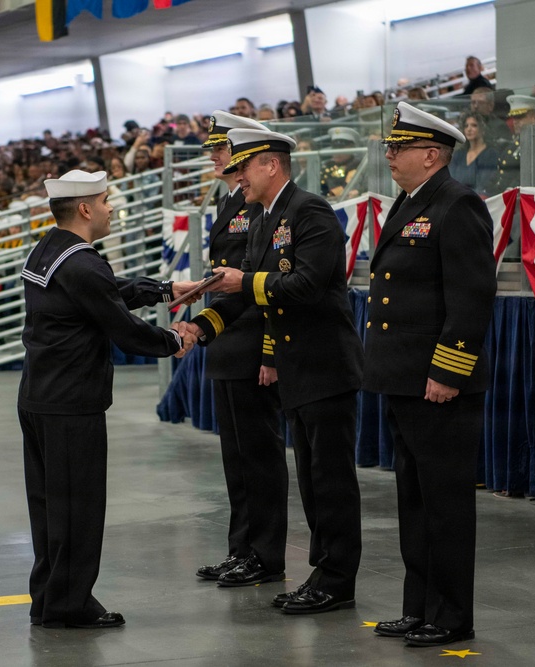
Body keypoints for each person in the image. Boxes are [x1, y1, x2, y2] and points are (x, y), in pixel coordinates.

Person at [189, 127, 364, 615]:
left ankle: (336, 578)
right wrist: (201, 326)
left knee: (330, 481)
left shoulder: (308, 210)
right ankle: (325, 573)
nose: (236, 175)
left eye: (243, 166)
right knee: (311, 480)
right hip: (297, 366)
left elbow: (307, 284)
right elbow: (249, 294)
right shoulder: (266, 219)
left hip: (324, 366)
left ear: (271, 164)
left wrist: (246, 281)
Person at [17, 169, 199, 630]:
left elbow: (102, 294)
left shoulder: (51, 249)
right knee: (78, 507)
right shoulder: (83, 262)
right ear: (84, 209)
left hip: (40, 398)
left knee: (49, 508)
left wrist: (162, 290)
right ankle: (70, 605)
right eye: (104, 200)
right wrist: (172, 340)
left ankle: (49, 598)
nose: (110, 207)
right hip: (72, 403)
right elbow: (120, 325)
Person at [365, 102, 495, 648]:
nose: (390, 156)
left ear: (431, 154)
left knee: (444, 504)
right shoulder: (411, 201)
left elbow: (470, 298)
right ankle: (418, 606)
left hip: (436, 382)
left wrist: (448, 370)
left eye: (399, 148)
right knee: (413, 501)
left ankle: (451, 614)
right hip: (402, 378)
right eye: (391, 147)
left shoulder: (457, 204)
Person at [191, 111, 289, 589]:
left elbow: (261, 283)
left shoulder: (258, 209)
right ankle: (242, 548)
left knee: (259, 456)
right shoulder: (234, 202)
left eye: (220, 149)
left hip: (251, 341)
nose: (213, 155)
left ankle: (265, 554)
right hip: (227, 339)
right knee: (237, 458)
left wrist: (269, 352)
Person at [449, 111, 499, 196]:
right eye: (466, 126)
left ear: (482, 129)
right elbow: (450, 181)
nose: (469, 129)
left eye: (474, 125)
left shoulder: (490, 154)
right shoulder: (459, 154)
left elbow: (485, 184)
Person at [497, 95, 535, 190]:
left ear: (534, 118)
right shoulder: (512, 146)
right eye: (514, 117)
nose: (515, 121)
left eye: (520, 116)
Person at [320, 127, 363, 199]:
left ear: (352, 148)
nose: (337, 152)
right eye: (335, 148)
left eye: (341, 148)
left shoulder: (360, 165)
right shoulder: (327, 166)